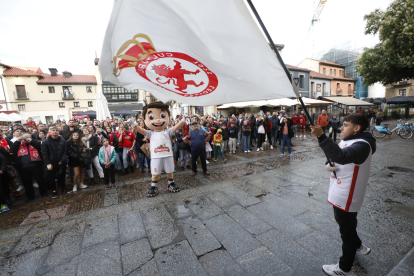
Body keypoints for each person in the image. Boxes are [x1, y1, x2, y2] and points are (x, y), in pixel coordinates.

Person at [310, 114, 376, 276]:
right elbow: (335, 155)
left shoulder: (363, 144)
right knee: (347, 224)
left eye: (345, 125)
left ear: (356, 128)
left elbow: (343, 156)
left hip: (348, 194)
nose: (341, 127)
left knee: (345, 230)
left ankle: (344, 268)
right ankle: (358, 245)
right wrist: (328, 163)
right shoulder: (349, 140)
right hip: (339, 190)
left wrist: (322, 136)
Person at [127, 101, 187, 197]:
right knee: (155, 171)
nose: (158, 120)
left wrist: (183, 121)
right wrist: (133, 124)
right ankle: (154, 186)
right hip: (156, 155)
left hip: (168, 154)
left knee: (170, 170)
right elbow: (141, 130)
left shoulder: (167, 131)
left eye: (163, 116)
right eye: (152, 117)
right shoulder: (151, 133)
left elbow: (176, 127)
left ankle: (171, 183)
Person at [11, 133, 47, 200]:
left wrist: (31, 141)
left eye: (27, 137)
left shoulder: (35, 142)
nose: (25, 139)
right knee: (27, 183)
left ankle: (43, 192)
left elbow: (39, 147)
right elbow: (12, 150)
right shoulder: (18, 144)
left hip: (36, 165)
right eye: (24, 138)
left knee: (40, 180)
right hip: (23, 167)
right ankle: (30, 196)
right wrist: (18, 141)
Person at [41, 126, 68, 199]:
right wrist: (48, 163)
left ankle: (63, 187)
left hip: (61, 162)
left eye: (56, 130)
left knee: (62, 175)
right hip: (51, 162)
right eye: (53, 130)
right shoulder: (45, 142)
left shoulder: (63, 141)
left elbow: (65, 152)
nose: (55, 131)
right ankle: (54, 190)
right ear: (50, 132)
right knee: (51, 177)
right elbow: (44, 153)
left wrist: (62, 160)